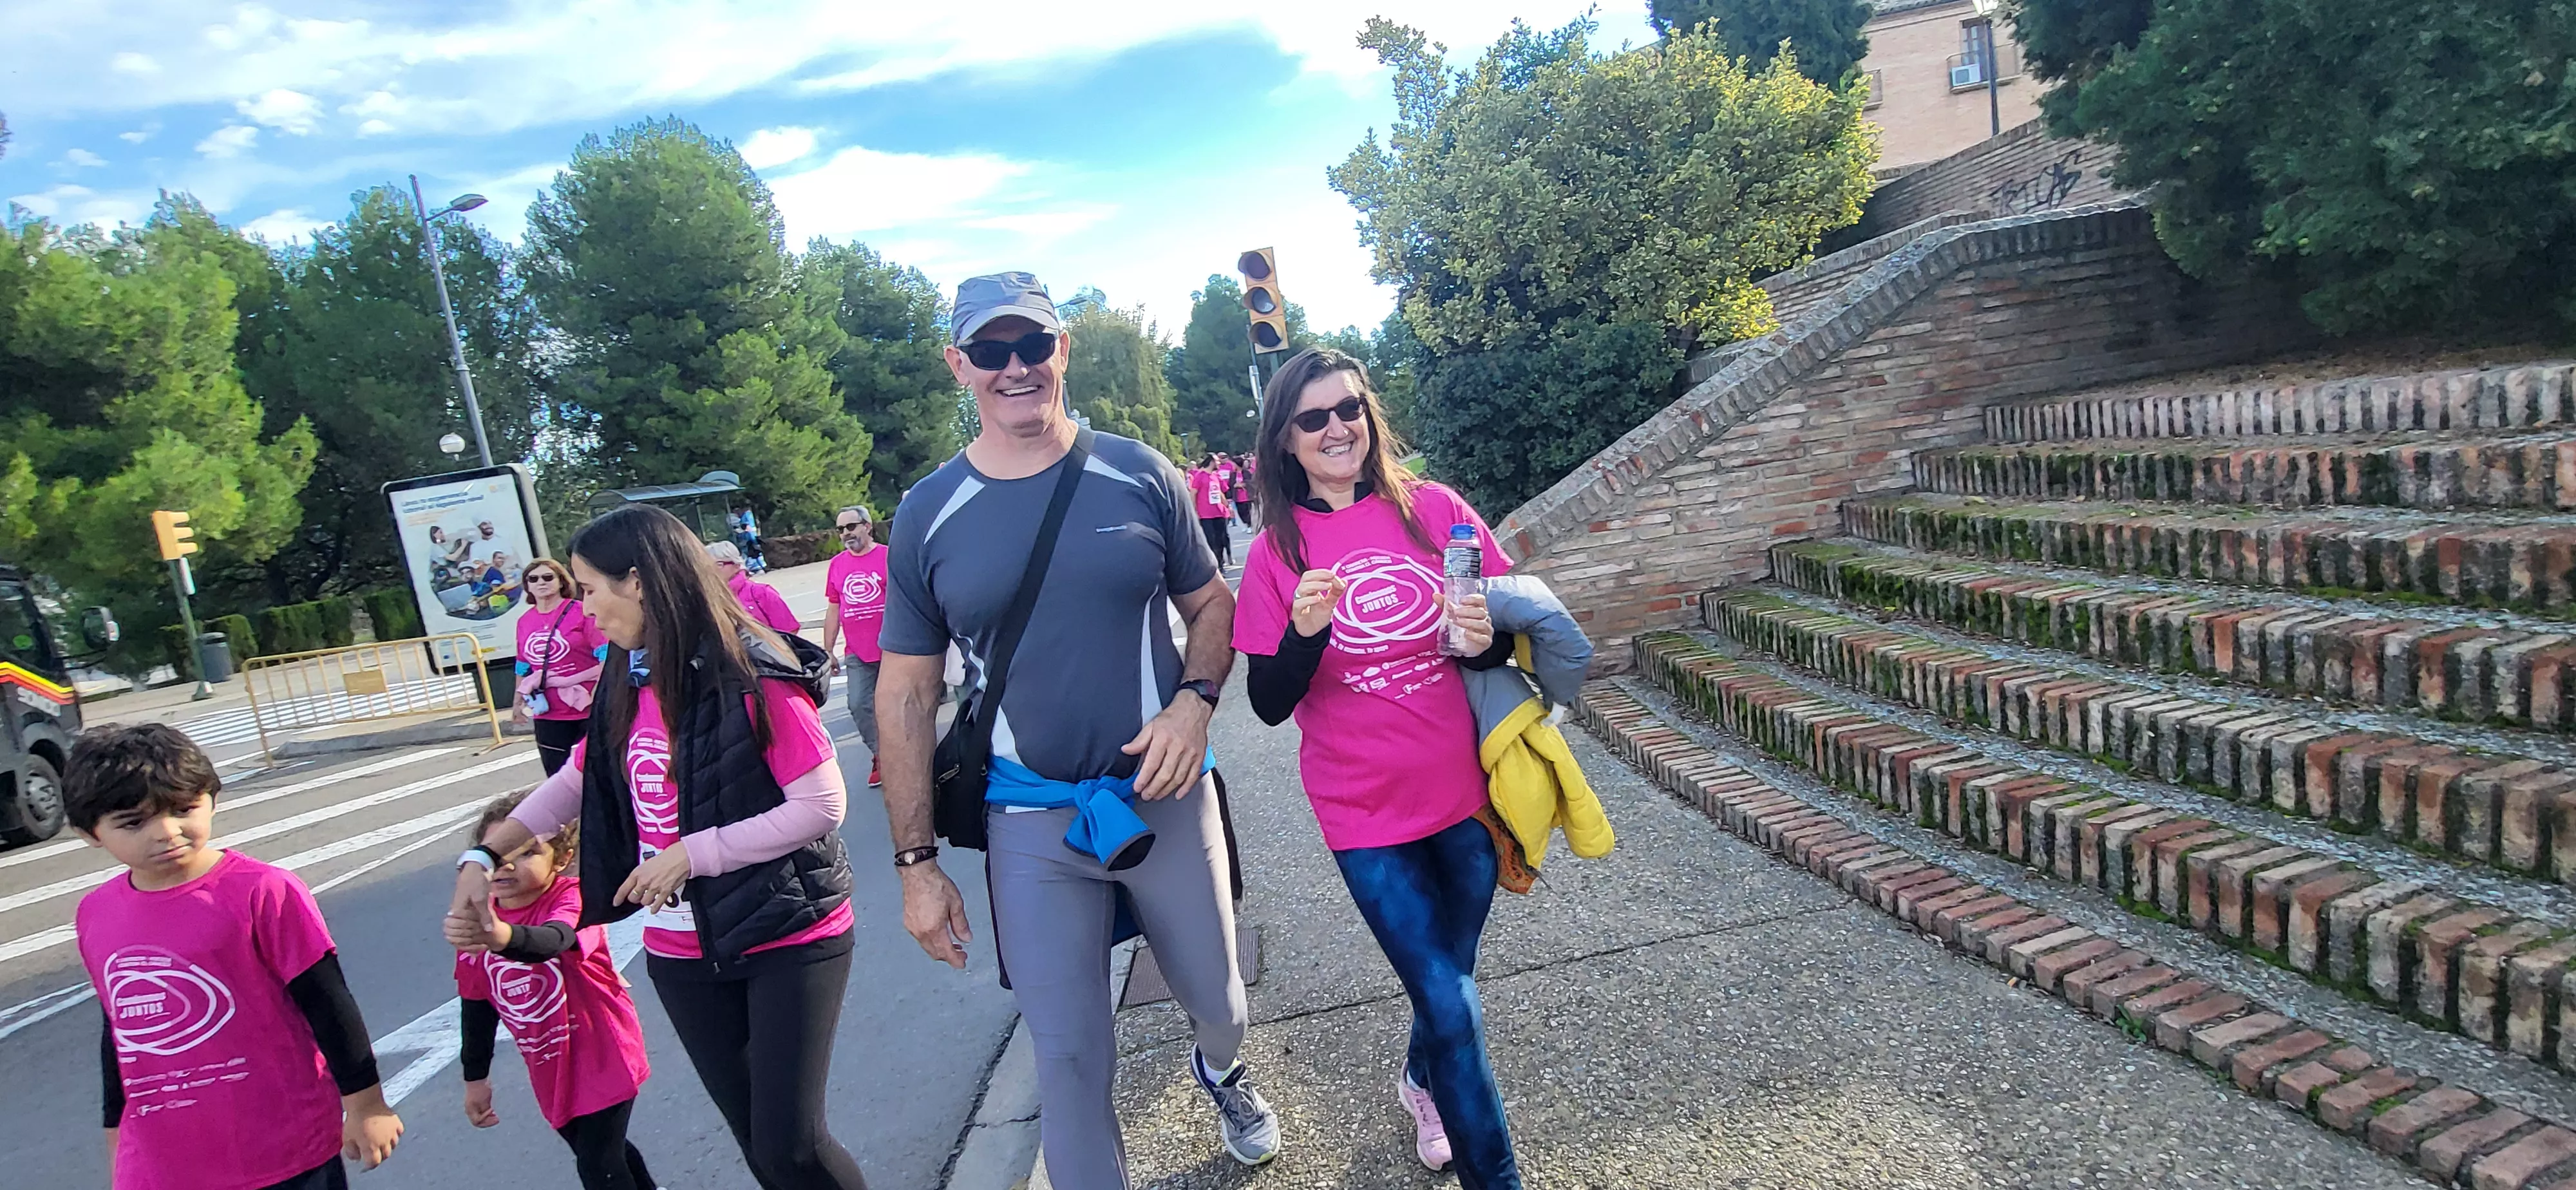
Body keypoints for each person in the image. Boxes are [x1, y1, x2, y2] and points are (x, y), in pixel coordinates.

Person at [878, 271, 1277, 1189]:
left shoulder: (1137, 472)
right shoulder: (928, 513)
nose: (1014, 367)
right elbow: (904, 696)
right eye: (990, 351)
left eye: (1032, 345)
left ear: (1062, 350)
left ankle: (1222, 1071)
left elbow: (1212, 606)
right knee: (1067, 1057)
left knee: (1220, 1002)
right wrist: (916, 866)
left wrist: (1194, 702)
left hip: (1162, 797)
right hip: (1031, 822)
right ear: (959, 366)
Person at [446, 504, 869, 1190]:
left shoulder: (752, 672)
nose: (585, 610)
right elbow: (578, 780)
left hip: (787, 933)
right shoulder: (626, 674)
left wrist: (693, 854)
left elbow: (820, 805)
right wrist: (484, 856)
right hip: (681, 949)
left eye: (590, 589)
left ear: (639, 582)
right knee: (759, 1148)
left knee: (793, 1148)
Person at [1233, 346, 1522, 1189]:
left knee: (1450, 981)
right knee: (1451, 1004)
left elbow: (1497, 636)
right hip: (1363, 816)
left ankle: (1421, 1079)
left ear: (1369, 414)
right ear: (1285, 439)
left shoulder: (1435, 511)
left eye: (1349, 408)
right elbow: (1268, 702)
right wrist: (1304, 635)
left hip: (1466, 798)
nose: (1336, 428)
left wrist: (1488, 641)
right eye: (1313, 417)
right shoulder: (1277, 551)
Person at [70, 723, 404, 1190]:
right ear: (90, 833)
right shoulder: (96, 913)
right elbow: (120, 1028)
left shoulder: (263, 891)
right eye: (133, 823)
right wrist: (116, 1131)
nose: (167, 832)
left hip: (283, 1147)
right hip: (164, 1159)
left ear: (211, 798)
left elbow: (328, 1002)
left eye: (183, 809)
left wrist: (367, 1105)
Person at [452, 793, 656, 1190]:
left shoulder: (573, 897)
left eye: (527, 852)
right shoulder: (478, 921)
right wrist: (475, 1078)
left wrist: (500, 936)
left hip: (604, 1053)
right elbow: (476, 1004)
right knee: (599, 1151)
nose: (508, 864)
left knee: (598, 1163)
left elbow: (554, 940)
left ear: (561, 860)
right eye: (496, 855)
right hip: (550, 1063)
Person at [514, 558, 609, 776]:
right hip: (547, 711)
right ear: (527, 586)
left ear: (561, 581)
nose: (541, 583)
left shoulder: (580, 611)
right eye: (533, 579)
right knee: (556, 775)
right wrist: (517, 700)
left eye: (548, 577)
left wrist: (601, 689)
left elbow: (604, 653)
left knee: (599, 774)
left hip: (587, 707)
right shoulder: (524, 621)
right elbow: (522, 665)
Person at [818, 505, 887, 788]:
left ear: (867, 527)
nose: (846, 534)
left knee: (901, 706)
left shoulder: (888, 556)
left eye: (851, 527)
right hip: (858, 652)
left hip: (894, 647)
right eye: (841, 529)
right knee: (858, 704)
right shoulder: (837, 565)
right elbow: (834, 608)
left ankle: (913, 755)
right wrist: (828, 650)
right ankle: (882, 755)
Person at [710, 540, 800, 637]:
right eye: (708, 566)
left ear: (736, 565)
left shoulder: (761, 592)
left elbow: (789, 631)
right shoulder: (708, 599)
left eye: (719, 564)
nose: (712, 569)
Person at [1189, 454, 1234, 569]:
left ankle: (1221, 563)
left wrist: (1228, 506)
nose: (1219, 464)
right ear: (1212, 462)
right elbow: (1193, 494)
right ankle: (1214, 565)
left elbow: (1220, 492)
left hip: (1219, 512)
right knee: (1211, 540)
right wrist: (1194, 511)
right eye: (1217, 461)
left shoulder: (1215, 476)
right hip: (1206, 515)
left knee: (1221, 539)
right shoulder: (1200, 476)